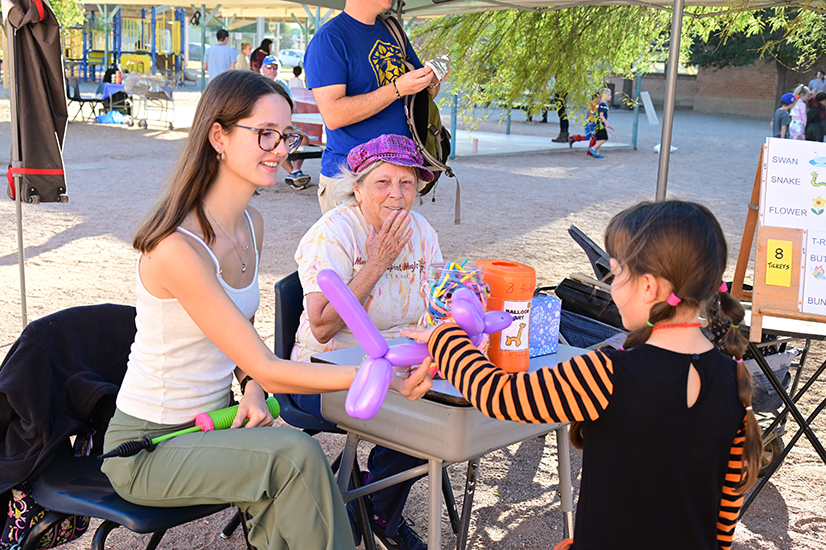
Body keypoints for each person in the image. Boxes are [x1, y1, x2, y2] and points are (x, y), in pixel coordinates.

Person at [99, 71, 432, 550]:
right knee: (296, 456)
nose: (282, 149)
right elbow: (268, 365)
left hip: (216, 424)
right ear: (218, 136)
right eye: (265, 134)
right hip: (149, 447)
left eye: (287, 135)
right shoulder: (177, 248)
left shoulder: (251, 224)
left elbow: (244, 348)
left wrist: (251, 388)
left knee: (292, 477)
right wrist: (379, 374)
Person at [403, 200, 762, 550]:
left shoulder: (608, 372)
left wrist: (444, 336)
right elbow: (723, 520)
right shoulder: (734, 380)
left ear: (649, 287)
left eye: (616, 273)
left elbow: (499, 394)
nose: (612, 285)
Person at [290, 134, 443, 550]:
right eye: (383, 182)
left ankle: (373, 503)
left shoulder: (422, 231)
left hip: (398, 360)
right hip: (325, 369)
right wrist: (376, 264)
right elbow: (321, 326)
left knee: (448, 404)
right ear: (357, 188)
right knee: (424, 419)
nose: (397, 194)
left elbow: (435, 303)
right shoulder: (334, 233)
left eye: (407, 183)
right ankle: (378, 510)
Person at [304, 0, 441, 214]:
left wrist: (431, 80)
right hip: (352, 178)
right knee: (355, 248)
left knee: (393, 247)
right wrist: (396, 89)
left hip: (399, 174)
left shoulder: (393, 30)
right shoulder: (330, 39)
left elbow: (424, 93)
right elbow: (333, 114)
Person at [260, 55, 313, 190]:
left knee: (303, 139)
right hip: (265, 126)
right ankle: (294, 173)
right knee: (277, 143)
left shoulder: (282, 84)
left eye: (275, 67)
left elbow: (292, 105)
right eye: (269, 67)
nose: (273, 70)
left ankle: (295, 171)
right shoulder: (257, 84)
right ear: (262, 68)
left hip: (283, 124)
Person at [589, 87, 612, 158]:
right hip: (600, 125)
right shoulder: (603, 105)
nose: (611, 96)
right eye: (609, 95)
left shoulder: (602, 104)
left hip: (598, 124)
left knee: (599, 139)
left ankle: (597, 153)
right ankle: (593, 148)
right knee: (604, 138)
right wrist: (606, 123)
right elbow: (601, 115)